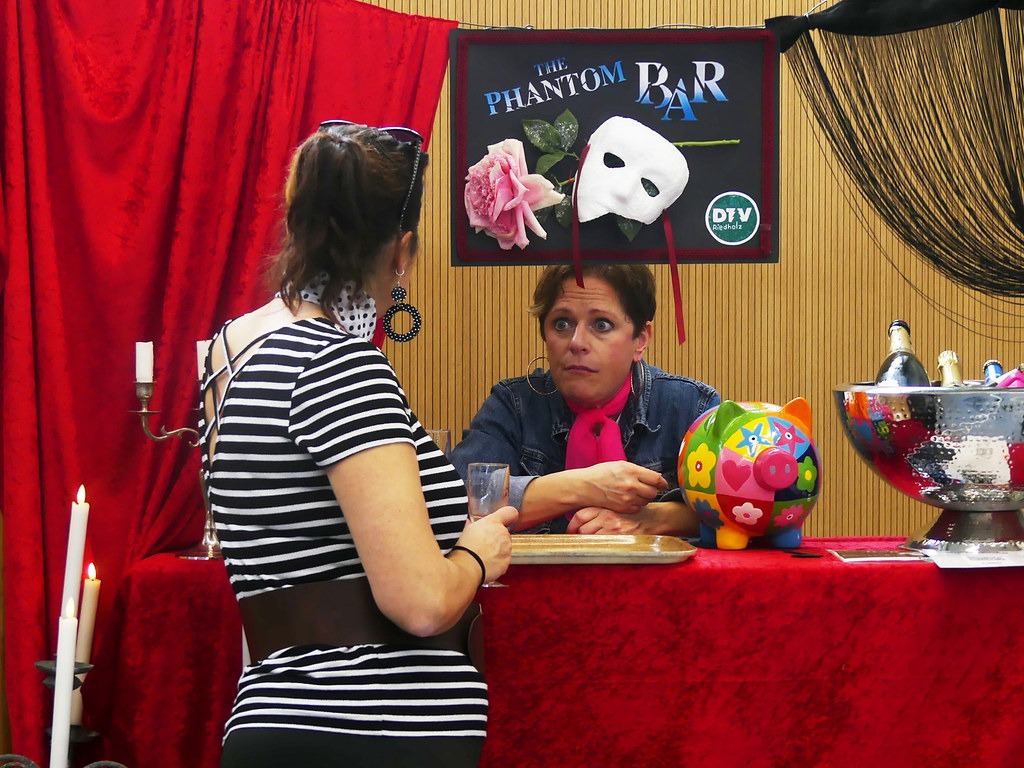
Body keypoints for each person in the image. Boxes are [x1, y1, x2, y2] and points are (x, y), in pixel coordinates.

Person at [199, 120, 516, 768]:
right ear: (402, 250)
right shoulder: (341, 367)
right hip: (368, 732)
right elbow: (421, 602)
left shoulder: (239, 362)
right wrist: (477, 554)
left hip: (281, 717)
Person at [452, 264, 719, 535]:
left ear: (640, 339)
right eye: (562, 324)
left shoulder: (690, 406)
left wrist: (652, 519)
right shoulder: (514, 404)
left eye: (602, 325)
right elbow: (454, 504)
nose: (576, 342)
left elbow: (735, 510)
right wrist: (584, 487)